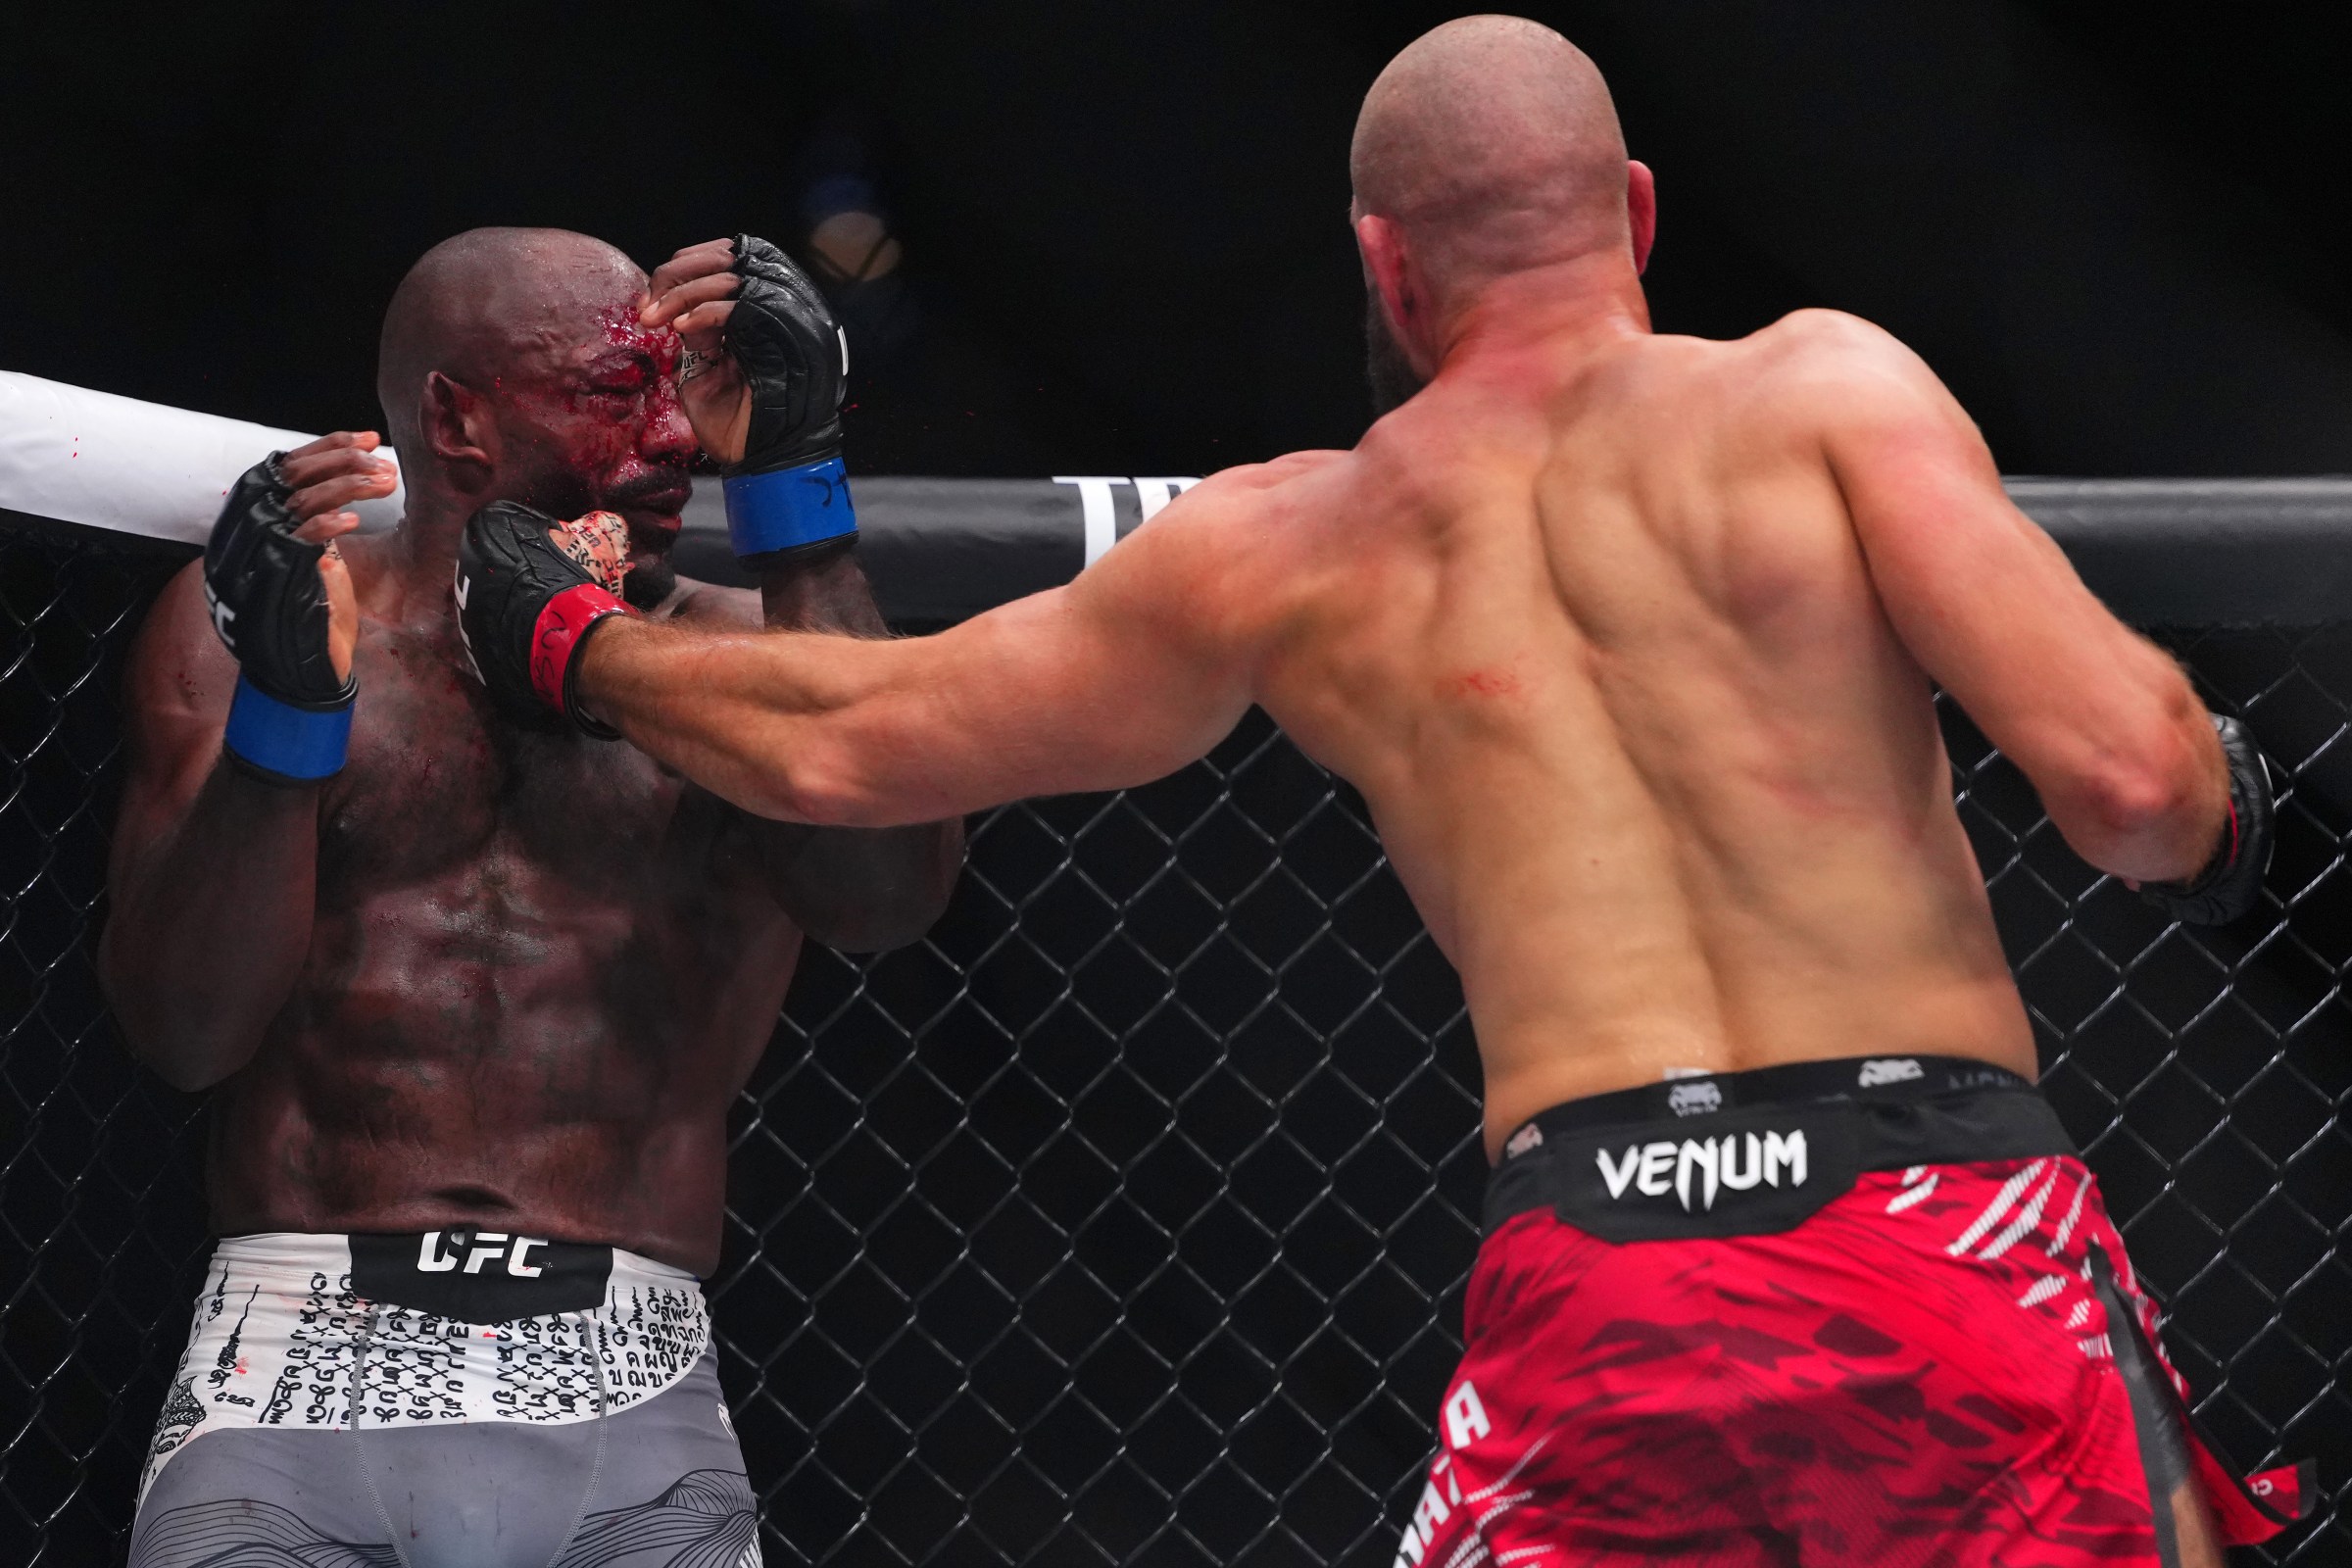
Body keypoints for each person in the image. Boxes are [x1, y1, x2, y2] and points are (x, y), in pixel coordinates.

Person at [461, 21, 2310, 1568]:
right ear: (1638, 217)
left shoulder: (1300, 542)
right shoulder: (1824, 394)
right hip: (1942, 1224)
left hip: (1612, 1271)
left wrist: (569, 641)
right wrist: (2228, 819)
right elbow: (2136, 787)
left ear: (1385, 263)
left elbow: (853, 742)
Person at [101, 226, 962, 1566]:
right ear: (459, 418)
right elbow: (186, 1033)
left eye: (679, 389)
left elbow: (885, 900)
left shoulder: (739, 655)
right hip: (291, 1357)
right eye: (620, 392)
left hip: (632, 1372)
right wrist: (288, 723)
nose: (677, 435)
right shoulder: (278, 624)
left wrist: (799, 501)